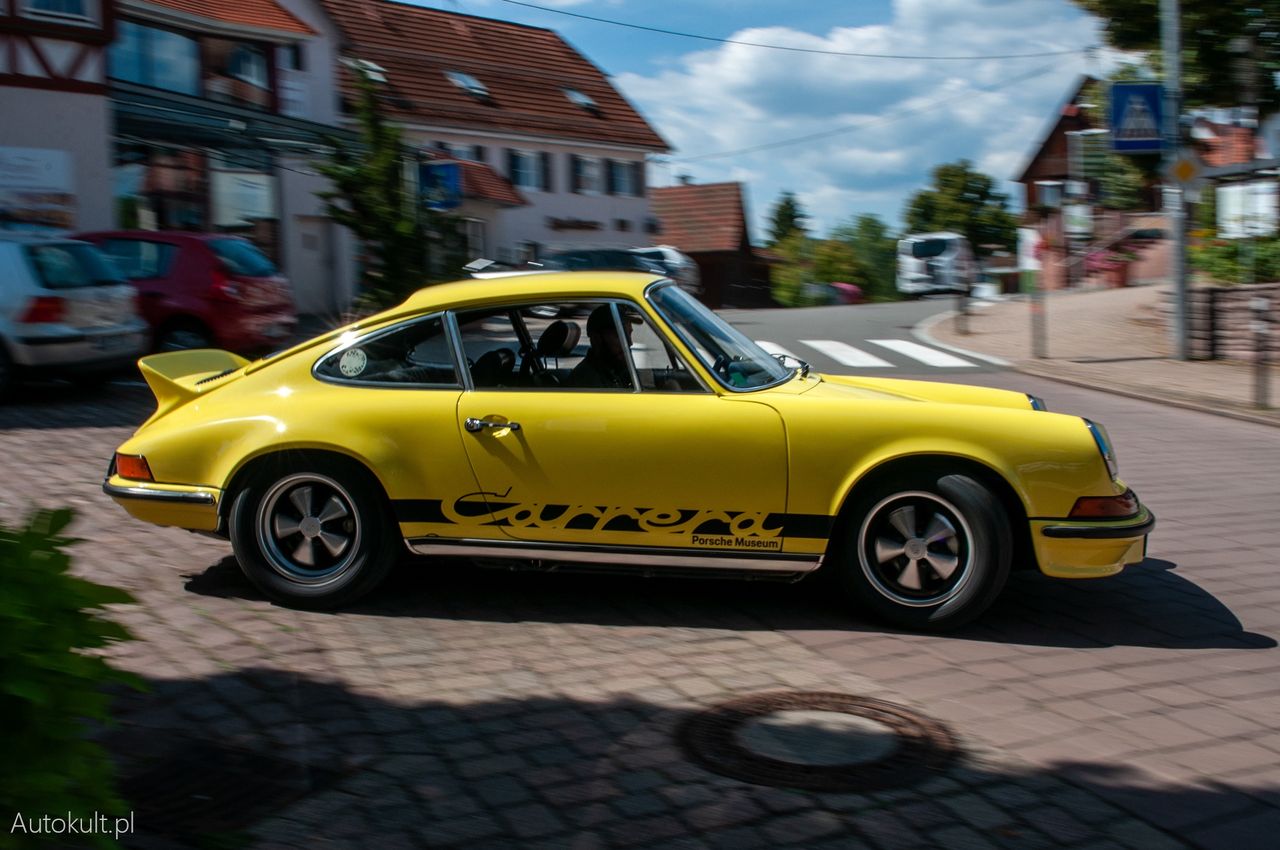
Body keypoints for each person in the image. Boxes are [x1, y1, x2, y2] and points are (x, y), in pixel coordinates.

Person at [568, 305, 634, 389]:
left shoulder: (613, 369)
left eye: (629, 334)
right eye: (620, 336)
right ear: (597, 339)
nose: (629, 343)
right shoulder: (587, 382)